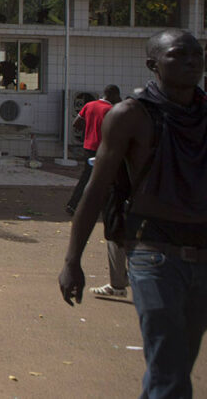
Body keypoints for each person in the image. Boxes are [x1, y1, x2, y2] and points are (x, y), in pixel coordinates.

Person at [59, 29, 207, 399]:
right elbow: (95, 190)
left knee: (173, 367)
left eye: (197, 54)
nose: (191, 61)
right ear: (152, 64)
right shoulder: (130, 116)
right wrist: (72, 260)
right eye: (178, 55)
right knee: (170, 372)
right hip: (153, 254)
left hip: (202, 253)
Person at [66, 85, 123, 215]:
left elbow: (76, 124)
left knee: (86, 177)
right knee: (108, 179)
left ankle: (72, 205)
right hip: (104, 149)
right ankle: (106, 209)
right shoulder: (111, 110)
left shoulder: (89, 105)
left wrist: (90, 128)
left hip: (88, 147)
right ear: (114, 95)